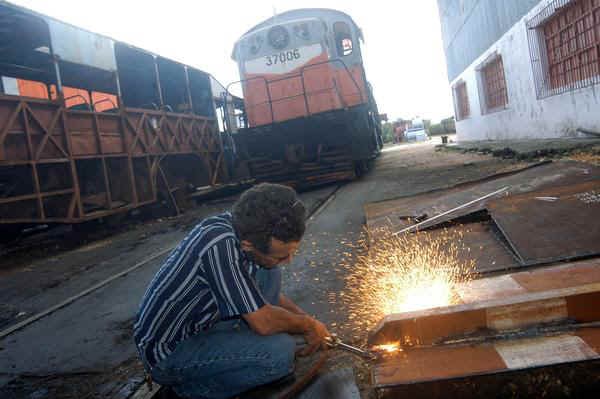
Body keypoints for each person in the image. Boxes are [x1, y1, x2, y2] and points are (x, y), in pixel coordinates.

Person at [133, 183, 331, 399]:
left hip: (202, 323)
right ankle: (187, 391)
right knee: (279, 353)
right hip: (170, 352)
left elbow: (255, 294)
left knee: (270, 271)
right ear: (247, 245)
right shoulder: (217, 243)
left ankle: (238, 348)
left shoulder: (243, 227)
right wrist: (308, 325)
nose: (289, 260)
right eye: (282, 256)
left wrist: (306, 320)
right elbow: (264, 323)